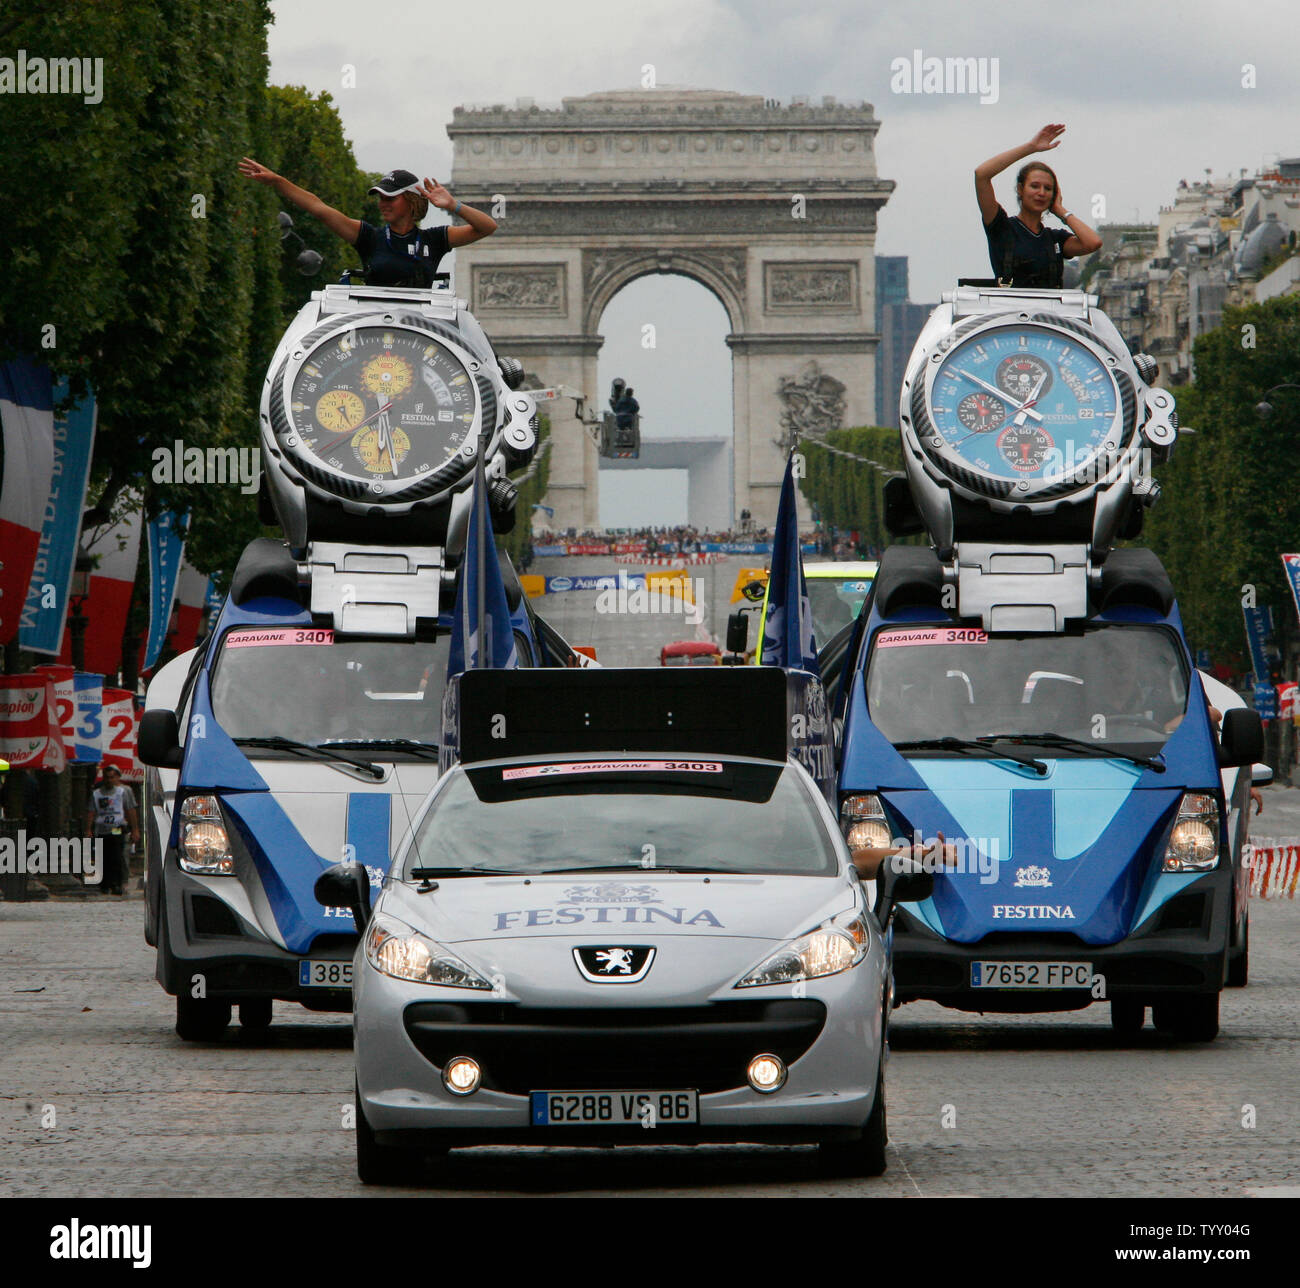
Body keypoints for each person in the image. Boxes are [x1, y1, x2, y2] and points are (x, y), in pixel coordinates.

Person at [237, 160, 497, 287]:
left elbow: (488, 227)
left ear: (410, 200)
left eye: (390, 197)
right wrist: (278, 181)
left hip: (420, 335)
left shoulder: (435, 239)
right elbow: (319, 208)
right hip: (373, 335)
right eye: (380, 197)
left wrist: (453, 206)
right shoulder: (368, 237)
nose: (382, 203)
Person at [974, 124, 1102, 287]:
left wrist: (1061, 211)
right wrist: (1031, 148)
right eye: (1034, 186)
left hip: (1047, 312)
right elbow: (981, 175)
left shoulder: (1055, 239)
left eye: (1048, 189)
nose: (1041, 193)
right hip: (1009, 309)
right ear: (1021, 189)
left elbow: (1093, 242)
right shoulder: (1002, 227)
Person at [86, 766, 140, 896]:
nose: (109, 780)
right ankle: (105, 883)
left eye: (112, 777)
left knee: (116, 855)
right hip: (102, 829)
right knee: (102, 856)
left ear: (117, 777)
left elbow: (130, 810)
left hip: (117, 828)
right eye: (107, 777)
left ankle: (117, 883)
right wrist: (88, 829)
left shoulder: (122, 792)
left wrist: (135, 829)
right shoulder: (97, 794)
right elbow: (91, 812)